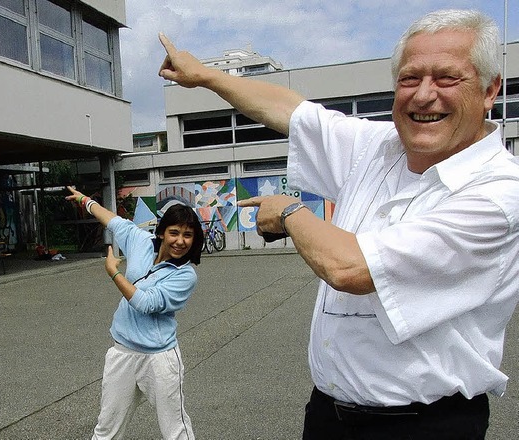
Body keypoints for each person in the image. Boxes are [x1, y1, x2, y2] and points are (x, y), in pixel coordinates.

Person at [158, 9, 519, 440]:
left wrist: (291, 213)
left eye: (446, 79)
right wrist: (206, 77)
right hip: (330, 414)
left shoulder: (499, 193)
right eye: (409, 78)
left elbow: (353, 268)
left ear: (489, 90)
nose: (424, 95)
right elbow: (292, 111)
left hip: (426, 426)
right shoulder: (379, 146)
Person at [65, 186, 203, 439]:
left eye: (188, 235)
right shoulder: (140, 242)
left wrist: (114, 273)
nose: (180, 241)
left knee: (176, 430)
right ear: (161, 233)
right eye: (174, 232)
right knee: (106, 429)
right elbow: (112, 220)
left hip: (159, 358)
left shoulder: (185, 275)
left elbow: (146, 303)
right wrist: (85, 200)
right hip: (123, 352)